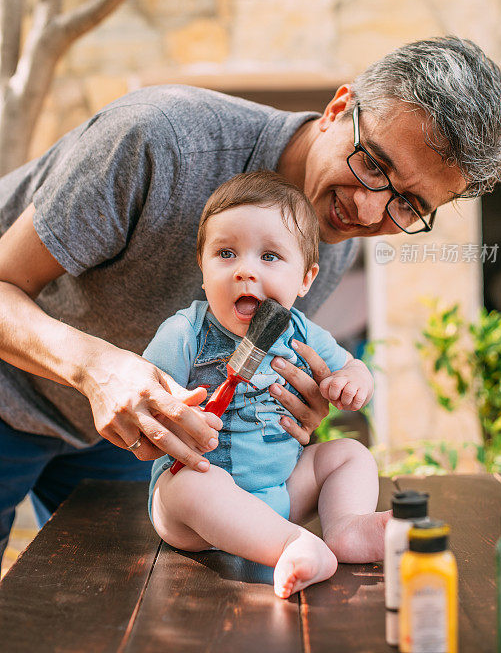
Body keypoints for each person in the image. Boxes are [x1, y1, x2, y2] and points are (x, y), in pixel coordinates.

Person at [0, 36, 501, 563]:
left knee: (106, 616)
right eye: (371, 163)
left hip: (128, 435)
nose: (368, 213)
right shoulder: (159, 142)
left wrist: (304, 404)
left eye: (409, 203)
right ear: (338, 110)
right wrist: (98, 369)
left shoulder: (329, 238)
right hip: (14, 387)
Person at [147, 171, 385, 598]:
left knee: (349, 454)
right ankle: (290, 545)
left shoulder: (300, 331)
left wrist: (352, 380)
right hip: (196, 499)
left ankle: (346, 527)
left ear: (306, 278)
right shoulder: (185, 332)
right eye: (226, 253)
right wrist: (177, 411)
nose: (245, 271)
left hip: (281, 487)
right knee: (190, 486)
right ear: (202, 268)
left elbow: (353, 367)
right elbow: (144, 399)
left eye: (270, 257)